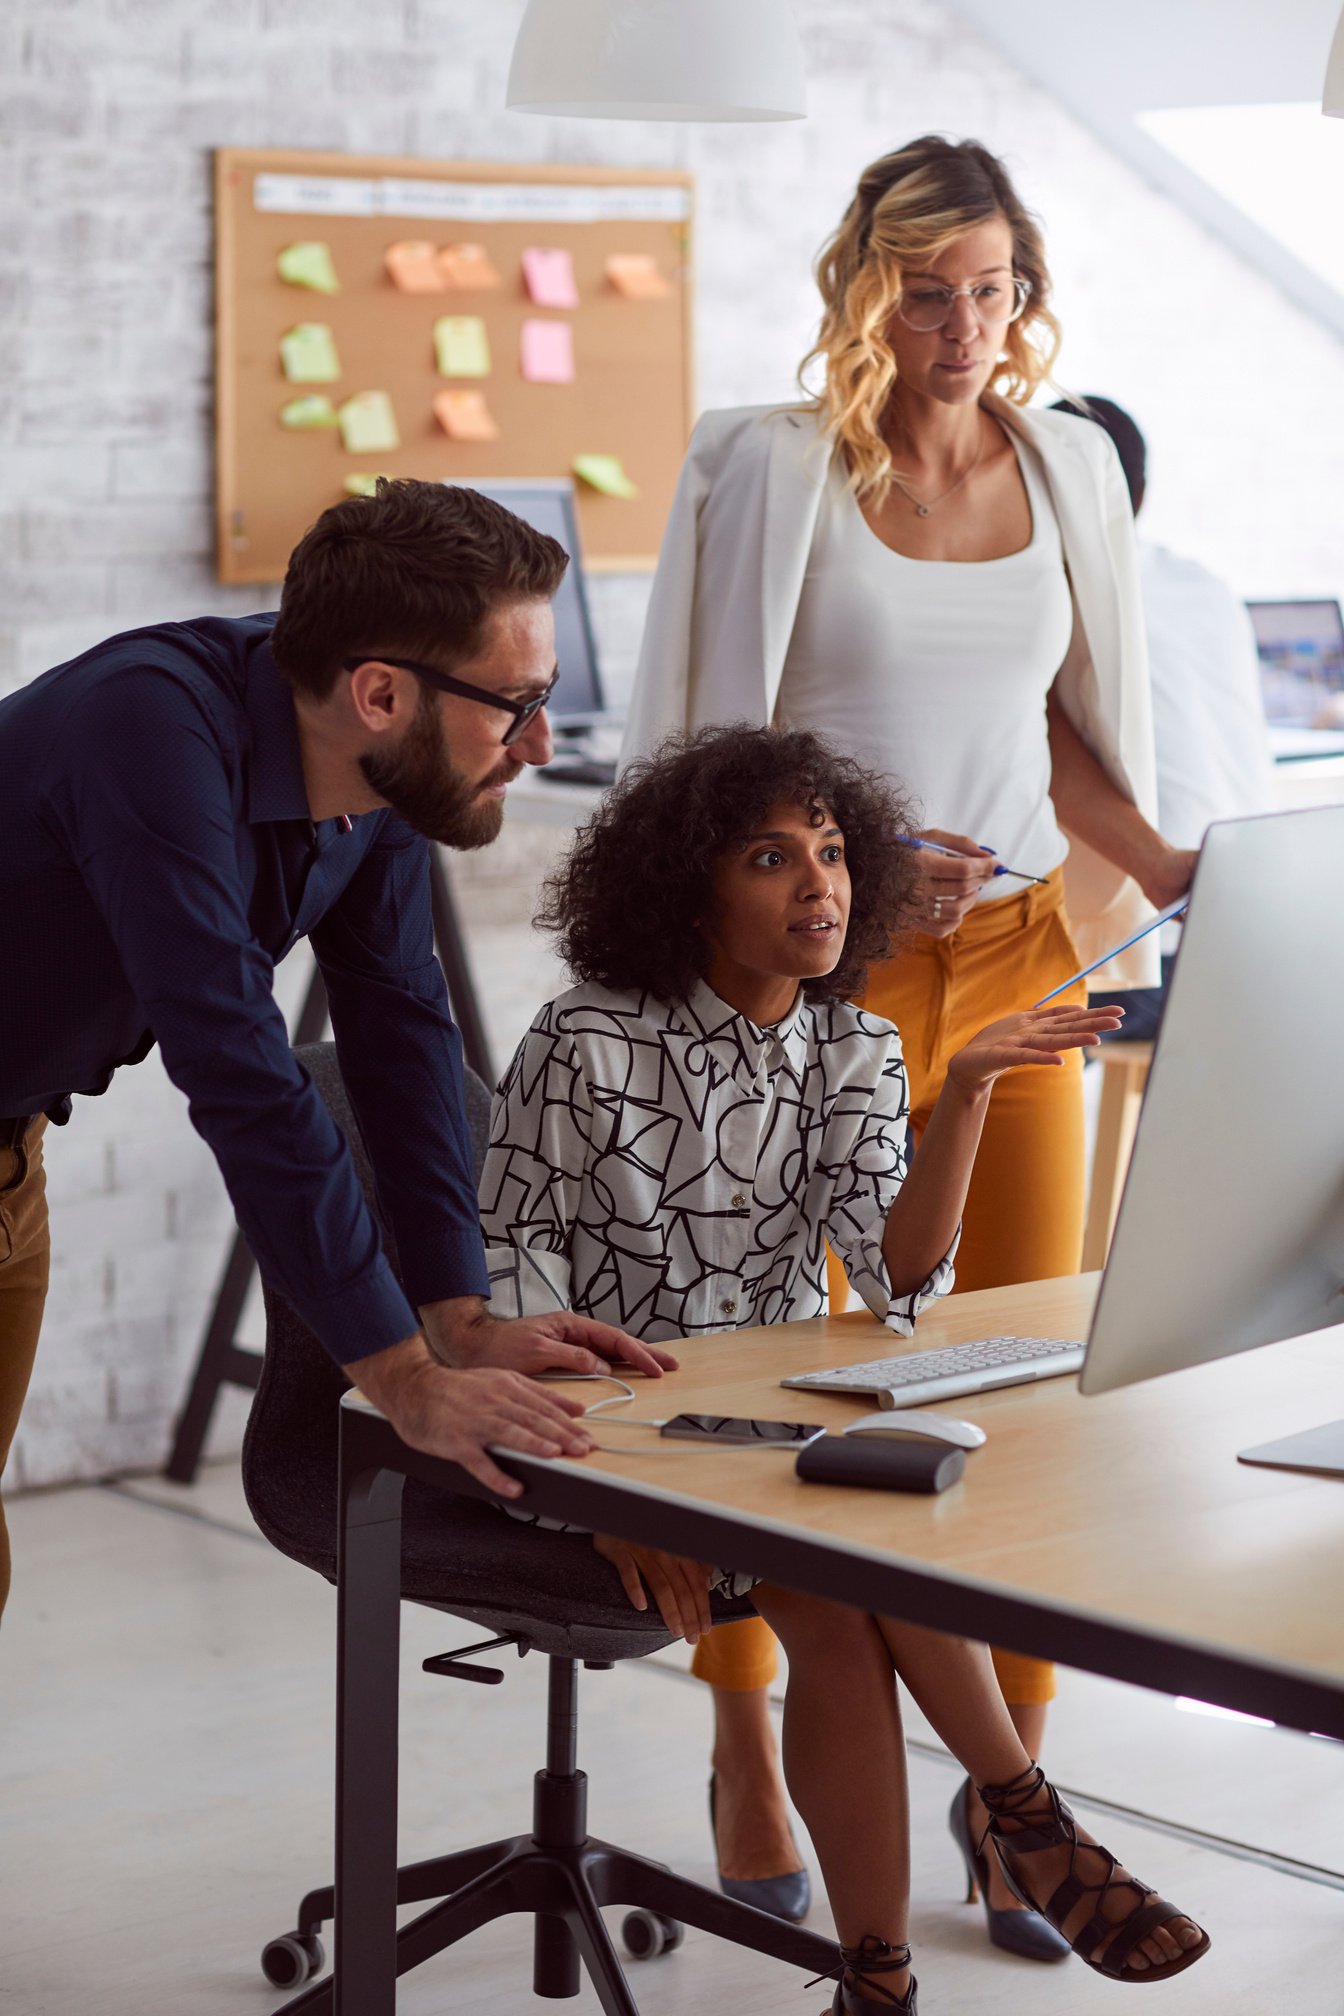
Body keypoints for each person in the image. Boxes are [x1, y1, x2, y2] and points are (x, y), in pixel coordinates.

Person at [619, 134, 1202, 1952]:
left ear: (1026, 298)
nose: (960, 327)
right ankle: (740, 1732)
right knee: (775, 1391)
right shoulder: (773, 467)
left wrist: (1172, 865)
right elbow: (709, 757)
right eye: (925, 288)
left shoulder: (1067, 467)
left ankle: (1005, 1794)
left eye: (992, 289)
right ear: (864, 288)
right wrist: (849, 864)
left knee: (1020, 1392)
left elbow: (1063, 720)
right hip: (808, 977)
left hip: (1020, 955)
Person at [480, 724, 1209, 2014]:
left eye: (830, 852)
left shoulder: (853, 1049)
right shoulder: (582, 1040)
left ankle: (897, 1961)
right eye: (772, 857)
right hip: (597, 1438)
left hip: (764, 1440)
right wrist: (611, 1495)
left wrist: (968, 1093)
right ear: (688, 888)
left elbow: (896, 1277)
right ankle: (1009, 1840)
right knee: (834, 1592)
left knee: (866, 1564)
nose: (819, 884)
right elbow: (517, 1296)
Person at [0, 478, 668, 1622]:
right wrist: (400, 1378)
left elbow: (402, 1032)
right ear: (379, 693)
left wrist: (457, 1316)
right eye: (516, 703)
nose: (539, 743)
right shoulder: (147, 733)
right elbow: (242, 1076)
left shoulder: (379, 774)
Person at [1049, 395, 1277, 1039]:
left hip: (1154, 959)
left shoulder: (1054, 592)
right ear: (1140, 493)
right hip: (1253, 939)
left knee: (959, 1032)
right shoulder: (1207, 584)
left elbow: (1039, 760)